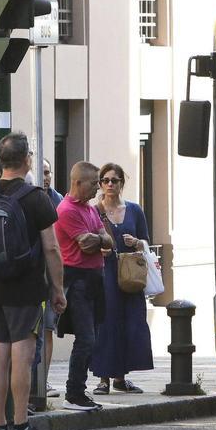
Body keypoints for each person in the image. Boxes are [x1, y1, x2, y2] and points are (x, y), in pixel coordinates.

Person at [0, 133, 65, 430]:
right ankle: (20, 425)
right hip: (24, 285)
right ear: (27, 160)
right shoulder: (35, 198)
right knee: (21, 353)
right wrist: (58, 288)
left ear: (1, 161)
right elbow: (51, 248)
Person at [55, 161, 113, 412]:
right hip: (76, 279)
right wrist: (98, 239)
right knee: (86, 338)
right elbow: (86, 244)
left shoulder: (90, 209)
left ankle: (79, 391)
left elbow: (107, 241)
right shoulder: (67, 209)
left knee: (93, 337)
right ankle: (74, 393)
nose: (98, 188)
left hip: (94, 279)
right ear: (77, 183)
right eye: (93, 183)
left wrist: (98, 239)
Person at [92, 163, 154, 395]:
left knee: (131, 323)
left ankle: (121, 377)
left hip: (130, 274)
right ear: (100, 184)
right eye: (105, 180)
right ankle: (103, 379)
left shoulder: (135, 210)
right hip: (105, 272)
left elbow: (146, 241)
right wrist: (100, 249)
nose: (109, 184)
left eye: (114, 180)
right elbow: (85, 242)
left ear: (121, 183)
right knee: (107, 323)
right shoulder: (95, 211)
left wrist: (136, 242)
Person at [33, 158, 63, 402]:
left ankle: (43, 378)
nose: (45, 177)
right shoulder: (29, 196)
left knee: (48, 328)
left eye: (48, 172)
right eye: (41, 172)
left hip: (49, 274)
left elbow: (57, 243)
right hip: (32, 273)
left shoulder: (57, 200)